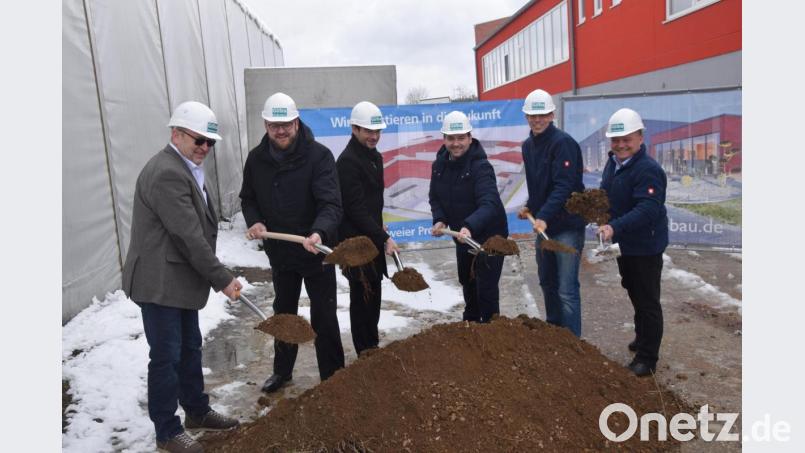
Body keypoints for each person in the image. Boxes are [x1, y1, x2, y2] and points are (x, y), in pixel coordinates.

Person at [122, 101, 241, 453]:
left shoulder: (185, 166)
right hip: (158, 283)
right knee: (166, 356)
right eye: (199, 140)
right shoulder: (168, 172)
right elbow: (188, 235)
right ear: (176, 133)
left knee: (190, 348)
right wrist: (221, 278)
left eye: (210, 142)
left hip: (178, 280)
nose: (205, 147)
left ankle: (197, 412)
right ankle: (167, 430)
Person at [240, 92, 345, 393]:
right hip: (281, 253)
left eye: (286, 123)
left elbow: (331, 204)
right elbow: (248, 199)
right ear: (265, 125)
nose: (280, 130)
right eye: (274, 125)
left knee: (323, 315)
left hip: (315, 251)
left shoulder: (319, 156)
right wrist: (255, 220)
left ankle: (334, 376)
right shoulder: (256, 160)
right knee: (284, 313)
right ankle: (282, 371)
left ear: (297, 122)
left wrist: (320, 232)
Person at [597, 108, 669, 377]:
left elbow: (648, 209)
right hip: (624, 245)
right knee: (633, 290)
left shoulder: (648, 170)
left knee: (648, 300)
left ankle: (647, 357)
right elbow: (608, 195)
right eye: (616, 140)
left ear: (640, 137)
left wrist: (614, 226)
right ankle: (642, 337)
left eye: (627, 139)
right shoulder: (613, 163)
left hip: (645, 246)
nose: (621, 145)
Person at [516, 89, 586, 337]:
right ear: (526, 117)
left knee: (566, 288)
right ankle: (555, 335)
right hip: (545, 225)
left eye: (542, 114)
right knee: (547, 282)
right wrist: (530, 206)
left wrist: (542, 216)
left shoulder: (563, 143)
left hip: (566, 226)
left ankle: (573, 343)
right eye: (532, 116)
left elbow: (563, 185)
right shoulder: (528, 146)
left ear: (552, 114)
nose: (537, 120)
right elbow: (540, 185)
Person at [429, 111, 508, 323]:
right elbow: (435, 198)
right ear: (444, 139)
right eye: (451, 138)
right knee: (468, 281)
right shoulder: (438, 167)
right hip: (463, 235)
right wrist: (440, 219)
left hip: (490, 236)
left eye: (461, 138)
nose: (456, 143)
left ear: (470, 138)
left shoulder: (481, 167)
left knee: (486, 287)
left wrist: (469, 226)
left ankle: (491, 330)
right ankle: (471, 326)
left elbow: (489, 203)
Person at [336, 101, 399, 355]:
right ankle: (364, 350)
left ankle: (371, 345)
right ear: (354, 129)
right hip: (356, 242)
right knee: (362, 296)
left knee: (373, 294)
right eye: (367, 131)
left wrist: (378, 224)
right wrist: (383, 236)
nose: (374, 136)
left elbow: (371, 202)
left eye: (377, 131)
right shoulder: (348, 162)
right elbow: (354, 209)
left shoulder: (375, 157)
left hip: (370, 235)